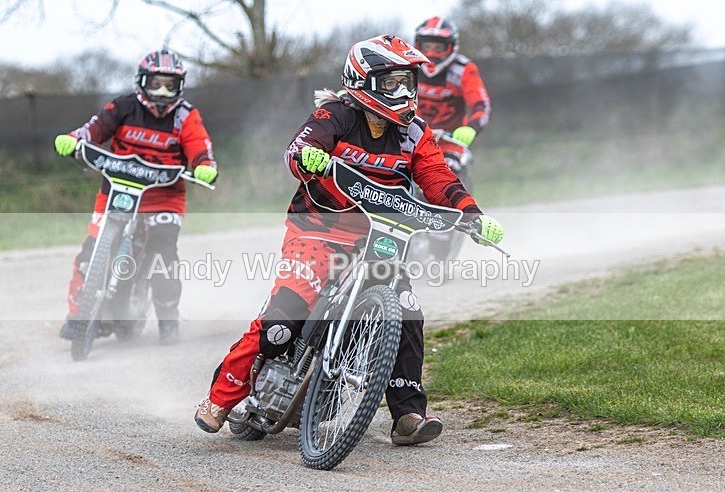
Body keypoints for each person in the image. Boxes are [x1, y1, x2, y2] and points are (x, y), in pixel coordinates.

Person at [194, 35, 504, 445]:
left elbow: (438, 177)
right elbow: (298, 148)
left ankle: (408, 416)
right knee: (282, 322)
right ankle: (219, 400)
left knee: (406, 311)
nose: (405, 93)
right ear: (365, 82)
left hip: (381, 235)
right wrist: (308, 157)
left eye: (409, 82)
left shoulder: (415, 133)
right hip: (317, 230)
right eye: (393, 83)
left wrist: (471, 215)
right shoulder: (335, 114)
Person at [54, 49, 218, 346]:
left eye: (171, 85)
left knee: (163, 256)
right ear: (142, 82)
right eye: (156, 84)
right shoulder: (123, 106)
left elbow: (199, 145)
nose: (163, 91)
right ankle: (79, 316)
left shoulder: (185, 116)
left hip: (163, 198)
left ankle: (168, 319)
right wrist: (75, 139)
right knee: (88, 255)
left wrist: (205, 166)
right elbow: (95, 128)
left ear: (180, 87)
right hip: (115, 191)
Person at [414, 16, 491, 152]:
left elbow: (481, 104)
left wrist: (471, 128)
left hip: (449, 144)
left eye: (438, 48)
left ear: (451, 47)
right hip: (411, 141)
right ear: (418, 46)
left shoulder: (463, 70)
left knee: (445, 172)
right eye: (426, 47)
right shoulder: (408, 67)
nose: (431, 53)